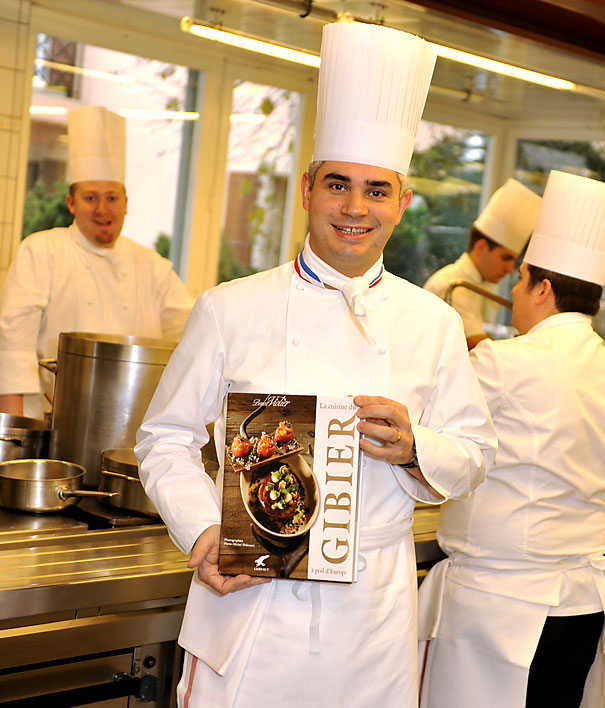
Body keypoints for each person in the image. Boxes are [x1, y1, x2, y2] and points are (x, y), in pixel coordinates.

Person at [135, 20, 496, 708]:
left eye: (376, 190)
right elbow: (165, 440)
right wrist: (205, 530)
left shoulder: (434, 323)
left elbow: (475, 454)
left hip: (371, 623)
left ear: (402, 201)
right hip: (249, 605)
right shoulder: (229, 307)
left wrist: (415, 447)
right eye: (337, 185)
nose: (354, 208)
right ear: (307, 189)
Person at [418, 170, 605, 708]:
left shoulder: (501, 362)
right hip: (583, 604)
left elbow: (432, 439)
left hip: (500, 610)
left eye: (520, 280)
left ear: (543, 289)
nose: (513, 293)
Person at [0, 105, 194, 418]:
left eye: (112, 198)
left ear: (126, 204)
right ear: (71, 203)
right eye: (91, 198)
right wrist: (12, 432)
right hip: (50, 421)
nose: (103, 209)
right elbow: (12, 343)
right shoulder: (40, 251)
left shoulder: (153, 267)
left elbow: (190, 332)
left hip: (131, 421)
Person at [424, 178, 541, 349]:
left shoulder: (479, 285)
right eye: (505, 258)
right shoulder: (453, 286)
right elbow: (478, 348)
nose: (510, 270)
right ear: (481, 247)